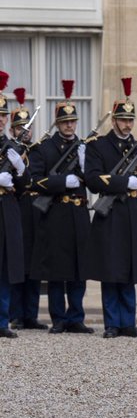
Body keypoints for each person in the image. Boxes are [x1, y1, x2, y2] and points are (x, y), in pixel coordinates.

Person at [84, 77, 137, 339]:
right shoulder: (99, 146)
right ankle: (112, 322)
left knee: (129, 267)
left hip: (133, 212)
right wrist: (125, 181)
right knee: (110, 267)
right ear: (114, 120)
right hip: (111, 212)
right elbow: (92, 179)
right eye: (123, 119)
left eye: (131, 120)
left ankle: (128, 322)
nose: (127, 124)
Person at [29, 80, 93, 334]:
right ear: (57, 123)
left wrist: (87, 164)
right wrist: (60, 182)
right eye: (65, 121)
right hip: (55, 213)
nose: (69, 125)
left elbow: (94, 178)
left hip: (78, 212)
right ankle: (58, 318)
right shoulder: (44, 148)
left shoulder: (84, 148)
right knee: (57, 269)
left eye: (73, 121)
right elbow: (35, 180)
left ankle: (76, 316)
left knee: (79, 268)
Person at [8, 88, 47, 330]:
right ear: (13, 129)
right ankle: (16, 313)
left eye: (27, 128)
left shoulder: (38, 151)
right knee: (17, 263)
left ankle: (31, 314)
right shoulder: (10, 151)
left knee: (35, 263)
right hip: (18, 207)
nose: (25, 131)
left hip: (37, 209)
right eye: (20, 128)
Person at [0, 71, 30, 338]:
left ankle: (2, 321)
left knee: (5, 267)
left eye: (1, 116)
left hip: (7, 208)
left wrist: (20, 170)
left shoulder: (12, 146)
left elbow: (25, 186)